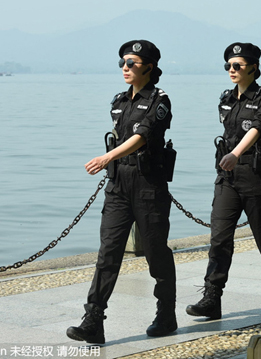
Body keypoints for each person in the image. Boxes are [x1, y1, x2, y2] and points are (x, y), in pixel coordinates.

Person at [67, 40, 177, 343]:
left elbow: (142, 136)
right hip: (118, 186)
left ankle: (166, 314)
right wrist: (113, 161)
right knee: (108, 253)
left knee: (156, 254)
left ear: (149, 67)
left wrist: (106, 157)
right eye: (123, 63)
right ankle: (93, 320)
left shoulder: (159, 99)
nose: (126, 68)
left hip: (148, 185)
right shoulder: (119, 101)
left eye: (133, 63)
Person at [185, 42, 261, 319]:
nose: (232, 70)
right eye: (228, 65)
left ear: (253, 67)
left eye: (237, 66)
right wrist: (229, 158)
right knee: (219, 238)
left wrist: (236, 153)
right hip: (228, 178)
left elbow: (257, 129)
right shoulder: (226, 98)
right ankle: (212, 297)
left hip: (256, 177)